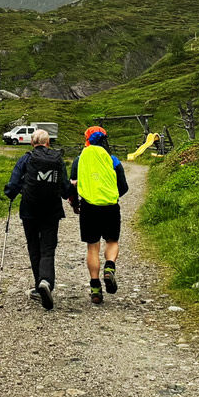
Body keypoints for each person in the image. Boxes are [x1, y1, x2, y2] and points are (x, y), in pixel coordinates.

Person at [3, 129, 74, 310]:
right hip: (52, 211)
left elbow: (13, 184)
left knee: (34, 246)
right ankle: (46, 282)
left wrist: (10, 193)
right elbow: (65, 189)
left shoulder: (26, 159)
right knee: (48, 248)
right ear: (48, 143)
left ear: (32, 143)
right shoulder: (57, 159)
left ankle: (39, 286)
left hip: (30, 210)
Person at [69, 126, 128, 304]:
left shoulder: (79, 160)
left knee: (92, 247)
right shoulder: (113, 159)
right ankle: (109, 267)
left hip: (89, 207)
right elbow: (123, 187)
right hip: (110, 206)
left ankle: (95, 288)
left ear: (86, 139)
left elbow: (73, 185)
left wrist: (74, 203)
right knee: (112, 241)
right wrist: (111, 195)